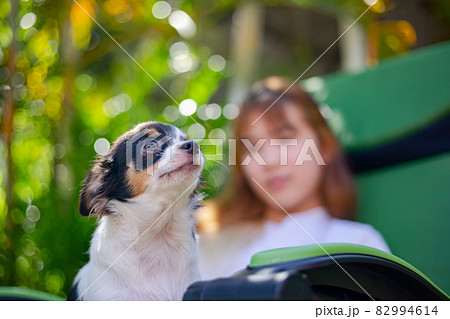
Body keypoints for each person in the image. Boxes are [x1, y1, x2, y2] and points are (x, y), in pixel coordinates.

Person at [197, 76, 390, 280]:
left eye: (284, 139)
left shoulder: (357, 244)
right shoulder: (206, 242)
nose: (269, 160)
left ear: (323, 145)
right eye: (251, 147)